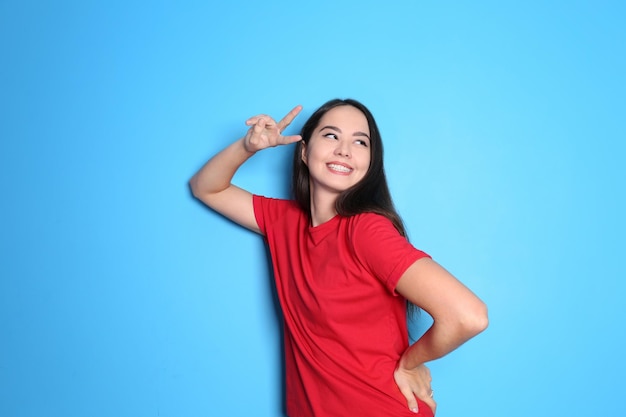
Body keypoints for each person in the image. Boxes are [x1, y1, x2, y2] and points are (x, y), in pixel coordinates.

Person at [189, 98, 488, 417]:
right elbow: (207, 188)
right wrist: (248, 146)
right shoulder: (285, 222)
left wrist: (411, 363)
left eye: (360, 142)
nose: (345, 149)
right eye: (331, 135)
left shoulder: (365, 231)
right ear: (304, 151)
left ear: (370, 162)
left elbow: (468, 316)